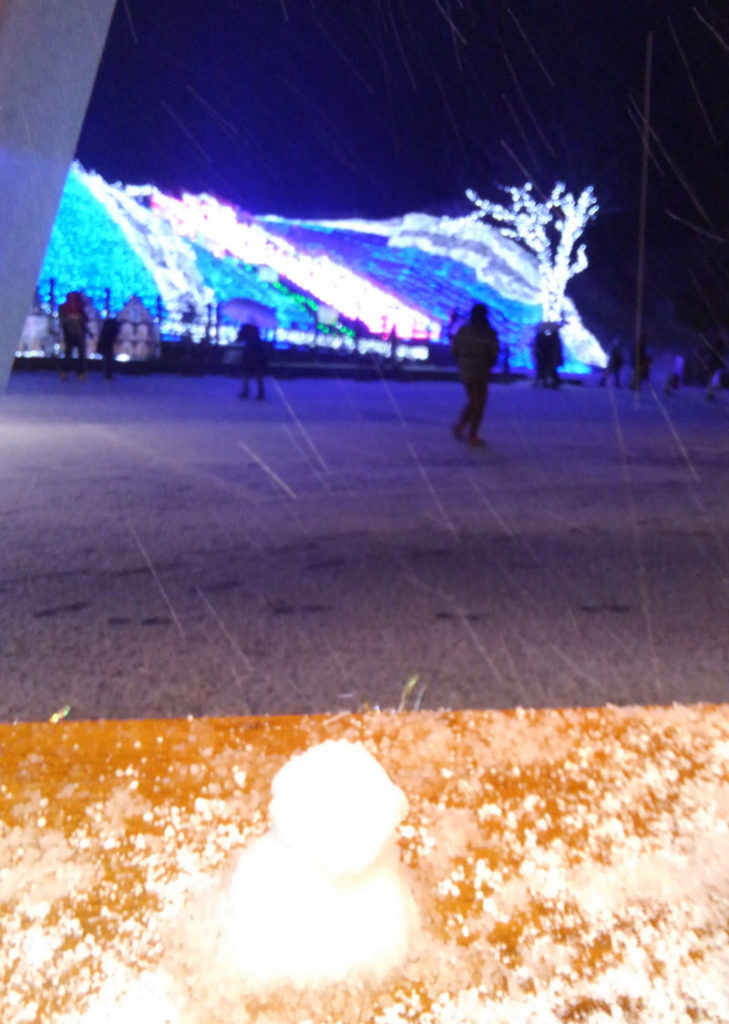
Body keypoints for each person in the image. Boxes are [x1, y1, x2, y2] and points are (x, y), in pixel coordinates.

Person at [450, 303, 499, 447]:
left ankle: (461, 426)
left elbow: (455, 350)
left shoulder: (466, 331)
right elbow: (494, 352)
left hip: (471, 369)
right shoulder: (488, 333)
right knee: (478, 403)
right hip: (479, 370)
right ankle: (472, 434)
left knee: (475, 402)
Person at [58, 290, 88, 379]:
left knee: (77, 353)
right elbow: (63, 320)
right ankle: (69, 372)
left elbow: (85, 319)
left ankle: (77, 372)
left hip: (77, 333)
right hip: (71, 333)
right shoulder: (65, 307)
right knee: (70, 353)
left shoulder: (79, 308)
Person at [238, 322, 268, 400]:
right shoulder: (257, 326)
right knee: (258, 374)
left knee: (246, 373)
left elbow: (241, 338)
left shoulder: (245, 326)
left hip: (249, 352)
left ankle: (246, 391)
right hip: (258, 352)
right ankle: (260, 393)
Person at [97, 316, 118, 381]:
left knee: (108, 356)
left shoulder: (107, 327)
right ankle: (108, 373)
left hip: (107, 342)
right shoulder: (111, 326)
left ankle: (108, 373)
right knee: (108, 356)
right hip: (107, 342)